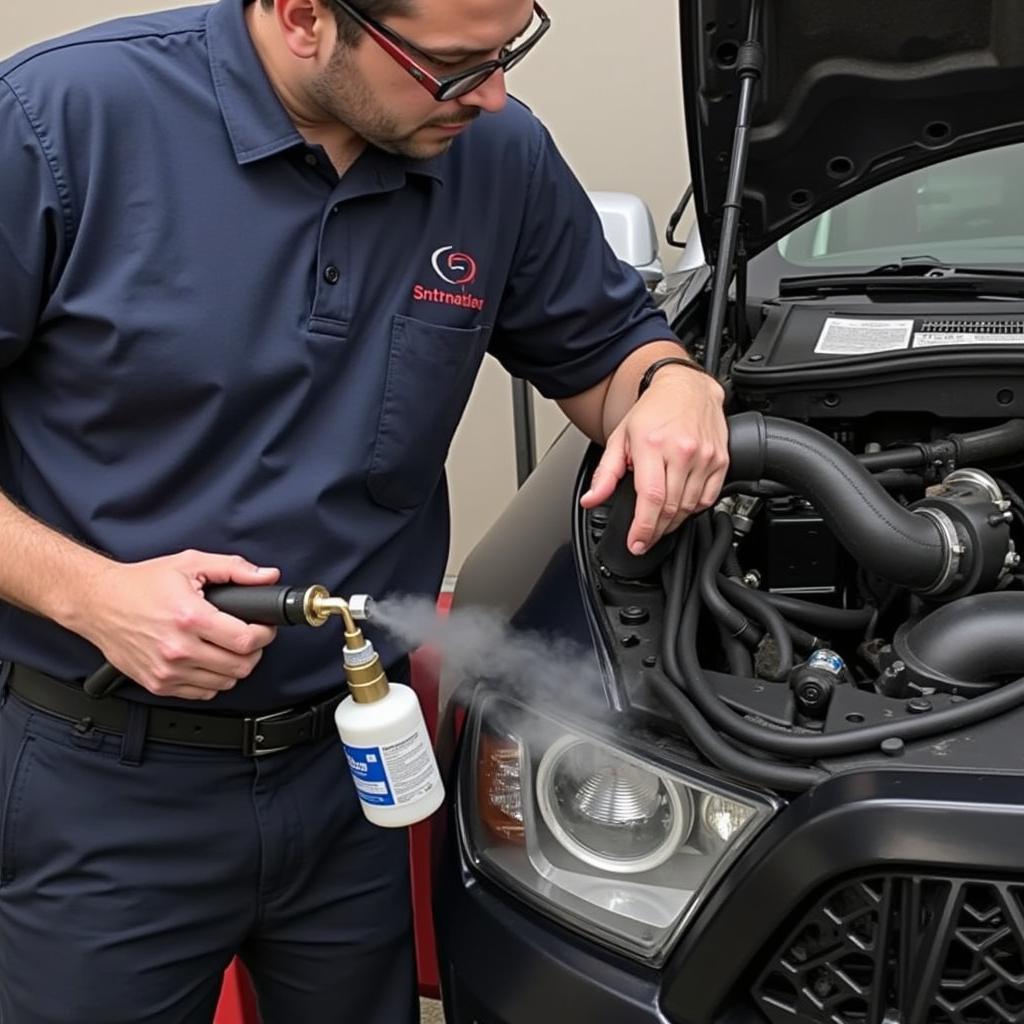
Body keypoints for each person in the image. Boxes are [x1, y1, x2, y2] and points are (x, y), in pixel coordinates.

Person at [0, 0, 728, 1019]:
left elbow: (609, 355)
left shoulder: (494, 153)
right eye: (452, 66)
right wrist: (94, 595)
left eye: (509, 51)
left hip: (354, 773)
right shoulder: (59, 121)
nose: (493, 93)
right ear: (304, 17)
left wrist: (672, 385)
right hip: (105, 782)